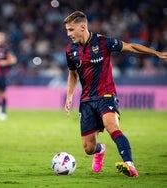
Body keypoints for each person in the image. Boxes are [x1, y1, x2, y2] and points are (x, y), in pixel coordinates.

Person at [63, 10, 167, 177]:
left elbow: (131, 46)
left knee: (112, 126)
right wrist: (69, 96)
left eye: (71, 29)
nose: (68, 34)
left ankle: (129, 164)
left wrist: (156, 54)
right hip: (87, 100)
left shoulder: (103, 42)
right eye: (67, 30)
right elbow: (73, 73)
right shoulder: (70, 51)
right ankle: (101, 149)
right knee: (89, 148)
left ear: (82, 27)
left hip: (106, 95)